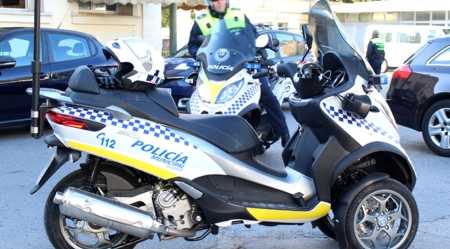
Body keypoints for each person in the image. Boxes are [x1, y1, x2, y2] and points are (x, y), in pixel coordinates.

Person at [187, 0, 290, 147]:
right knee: (199, 95)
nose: (220, 2)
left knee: (266, 93)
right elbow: (193, 46)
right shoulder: (202, 21)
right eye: (216, 0)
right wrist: (200, 57)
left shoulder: (237, 15)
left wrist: (258, 53)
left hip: (242, 65)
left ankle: (283, 132)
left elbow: (253, 38)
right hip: (213, 69)